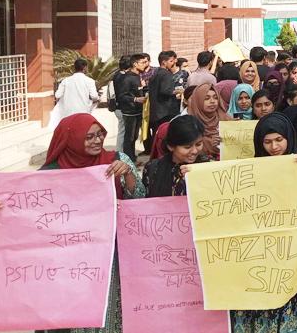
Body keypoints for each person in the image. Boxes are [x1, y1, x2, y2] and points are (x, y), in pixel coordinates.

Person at [34, 113, 145, 333]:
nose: (97, 140)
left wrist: (128, 174)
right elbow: (28, 217)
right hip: (66, 261)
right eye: (89, 137)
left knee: (108, 310)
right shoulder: (49, 175)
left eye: (100, 134)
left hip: (110, 256)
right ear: (71, 139)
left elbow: (140, 201)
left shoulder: (117, 159)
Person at [232, 112, 297, 333]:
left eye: (279, 140)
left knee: (291, 290)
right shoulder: (248, 170)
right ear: (259, 142)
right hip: (261, 248)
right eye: (267, 141)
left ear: (288, 138)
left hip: (295, 247)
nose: (274, 147)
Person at [142, 115, 210, 197]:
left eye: (198, 144)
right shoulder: (153, 168)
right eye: (187, 147)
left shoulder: (208, 166)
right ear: (171, 146)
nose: (195, 151)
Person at [187, 83, 232, 159]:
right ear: (198, 100)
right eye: (206, 98)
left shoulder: (226, 118)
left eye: (215, 98)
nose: (212, 101)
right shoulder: (190, 123)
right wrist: (212, 146)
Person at [118, 54, 148, 162]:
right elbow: (122, 95)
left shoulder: (138, 76)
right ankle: (128, 160)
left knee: (134, 136)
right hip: (129, 111)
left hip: (137, 111)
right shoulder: (127, 78)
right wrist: (135, 100)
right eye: (142, 63)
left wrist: (144, 89)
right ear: (135, 64)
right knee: (129, 137)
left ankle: (133, 157)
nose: (145, 65)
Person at [148, 51, 181, 131]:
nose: (173, 63)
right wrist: (178, 91)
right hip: (165, 112)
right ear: (164, 62)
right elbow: (165, 91)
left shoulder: (155, 73)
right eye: (171, 61)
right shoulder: (166, 74)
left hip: (155, 112)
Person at [112, 55, 132, 152]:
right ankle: (120, 152)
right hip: (122, 107)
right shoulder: (124, 77)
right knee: (123, 131)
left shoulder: (116, 74)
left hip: (117, 107)